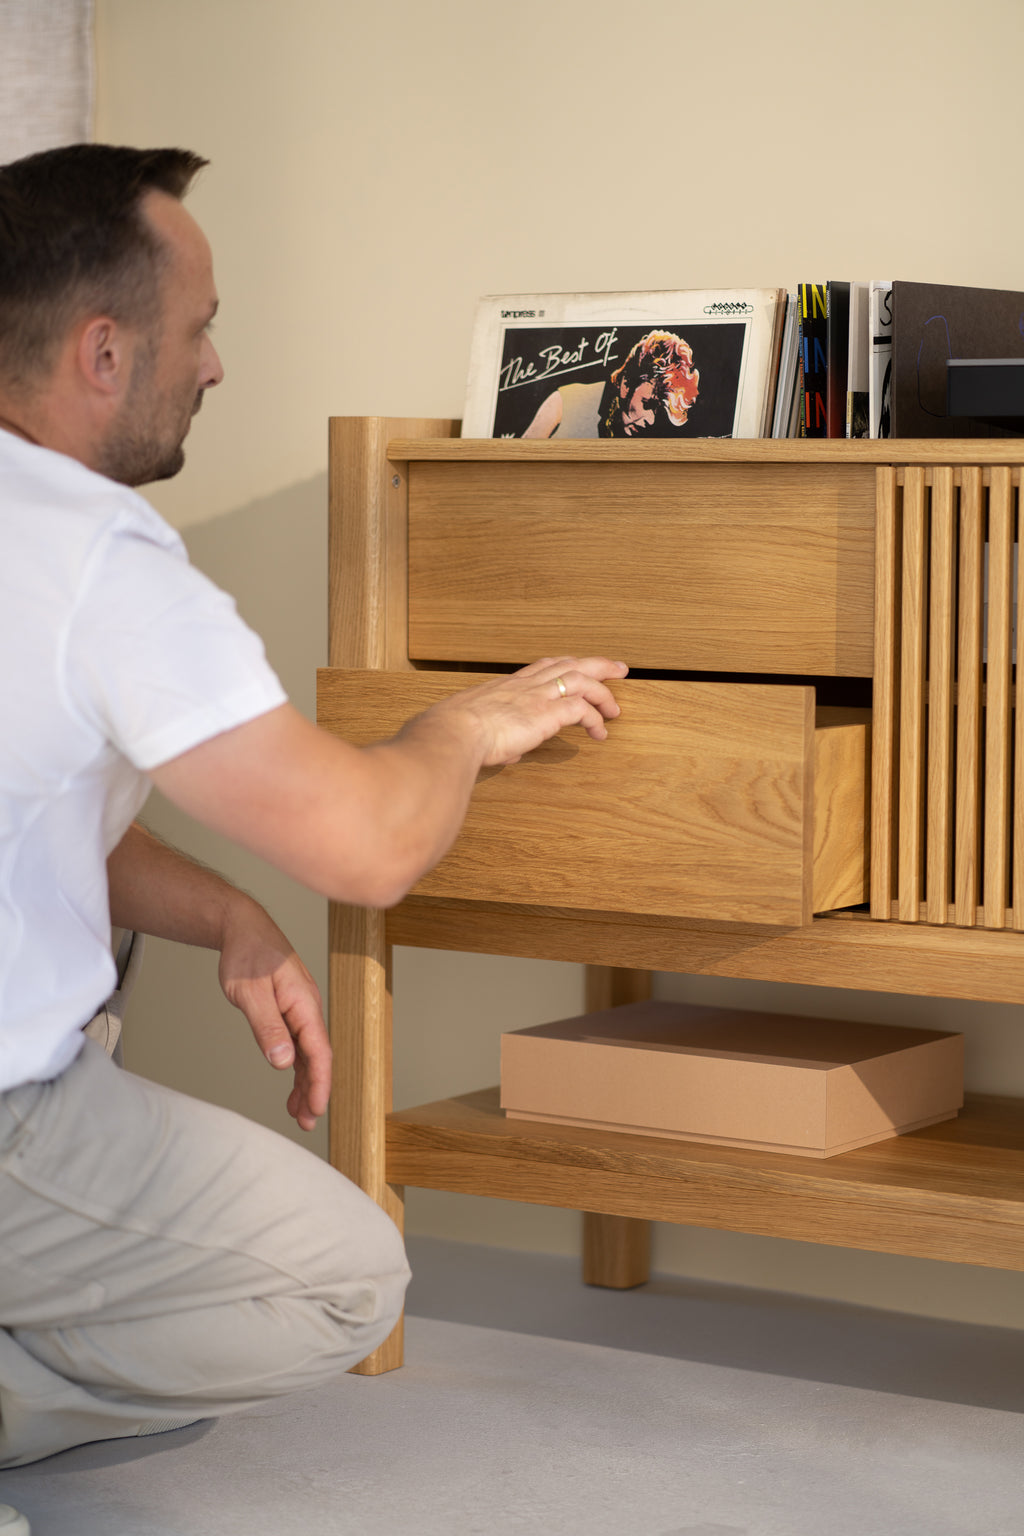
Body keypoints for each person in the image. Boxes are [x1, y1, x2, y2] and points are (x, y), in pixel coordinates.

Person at [0, 141, 627, 1486]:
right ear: (102, 354)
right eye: (201, 328)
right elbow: (373, 846)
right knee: (344, 1281)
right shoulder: (91, 557)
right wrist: (462, 724)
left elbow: (35, 805)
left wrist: (223, 907)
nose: (216, 365)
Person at [522, 329, 700, 439]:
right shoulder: (565, 402)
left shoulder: (648, 436)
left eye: (658, 410)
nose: (650, 420)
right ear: (626, 384)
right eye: (648, 403)